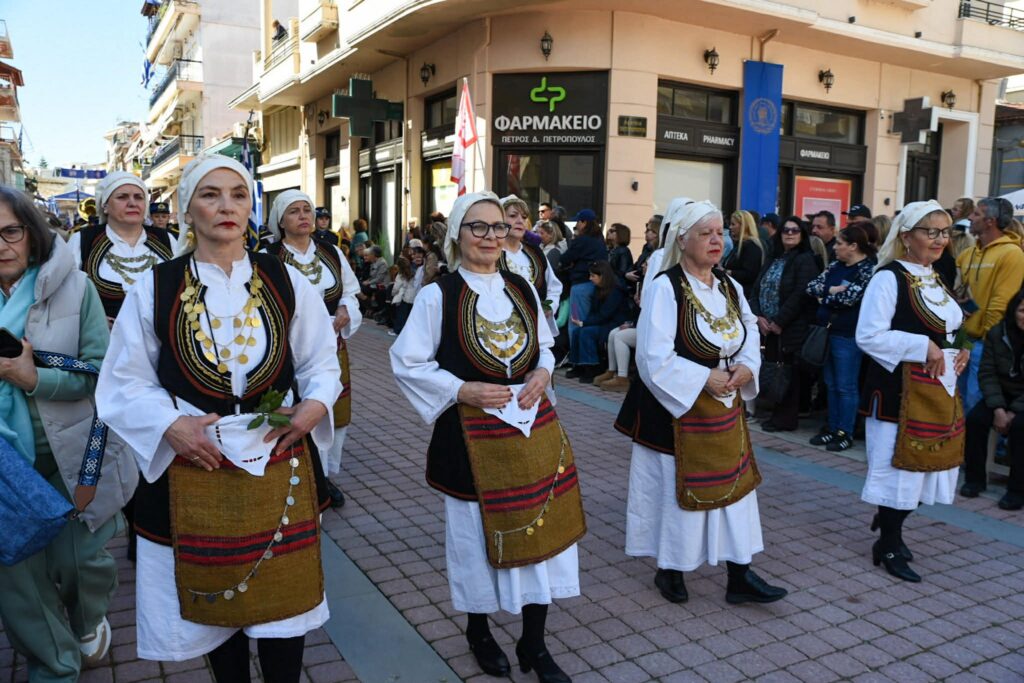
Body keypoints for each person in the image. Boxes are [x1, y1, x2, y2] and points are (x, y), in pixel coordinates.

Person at [95, 155, 341, 682]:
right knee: (213, 613)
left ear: (252, 207)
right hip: (195, 463)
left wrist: (315, 405)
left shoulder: (286, 280)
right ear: (187, 209)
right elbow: (123, 380)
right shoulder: (155, 287)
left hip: (279, 459)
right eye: (210, 194)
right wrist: (170, 425)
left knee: (283, 603)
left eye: (237, 194)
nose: (226, 205)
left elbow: (321, 359)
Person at [390, 191, 582, 683]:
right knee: (476, 539)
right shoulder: (439, 293)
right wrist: (461, 388)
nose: (492, 236)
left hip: (530, 428)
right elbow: (407, 361)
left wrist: (543, 373)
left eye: (499, 227)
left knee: (543, 526)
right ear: (458, 234)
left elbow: (544, 345)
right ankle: (479, 630)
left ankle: (534, 643)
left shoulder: (522, 287)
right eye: (479, 227)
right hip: (469, 436)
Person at [614, 200, 787, 606]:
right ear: (683, 239)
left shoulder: (728, 284)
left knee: (736, 487)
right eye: (705, 233)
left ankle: (739, 573)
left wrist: (746, 366)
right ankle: (670, 569)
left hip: (724, 404)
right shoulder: (665, 287)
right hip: (677, 409)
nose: (716, 239)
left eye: (719, 232)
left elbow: (747, 328)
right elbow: (652, 356)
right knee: (677, 489)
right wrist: (703, 377)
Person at [0, 186, 138, 683]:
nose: (1, 245)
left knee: (80, 562)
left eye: (10, 231)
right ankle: (54, 665)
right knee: (17, 575)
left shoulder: (75, 287)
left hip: (72, 453)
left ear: (31, 234)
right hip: (4, 465)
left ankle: (86, 619)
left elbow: (101, 371)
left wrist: (32, 376)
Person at [856, 200, 968, 583]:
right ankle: (887, 543)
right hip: (897, 395)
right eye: (930, 232)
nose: (939, 240)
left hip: (936, 390)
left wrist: (960, 348)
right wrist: (925, 347)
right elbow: (868, 335)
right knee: (899, 472)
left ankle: (890, 524)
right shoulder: (889, 278)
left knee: (929, 470)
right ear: (906, 237)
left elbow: (950, 326)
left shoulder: (934, 276)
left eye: (944, 232)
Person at [263, 190, 361, 509]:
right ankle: (296, 473)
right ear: (280, 220)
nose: (304, 216)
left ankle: (326, 475)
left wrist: (346, 310)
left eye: (307, 209)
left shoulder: (331, 252)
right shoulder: (267, 257)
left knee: (334, 410)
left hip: (331, 346)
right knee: (294, 409)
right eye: (294, 211)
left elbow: (349, 292)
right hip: (286, 350)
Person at [67, 172, 174, 325]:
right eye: (122, 197)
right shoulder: (83, 241)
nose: (132, 203)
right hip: (106, 343)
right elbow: (66, 294)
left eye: (139, 197)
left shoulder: (166, 239)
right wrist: (92, 320)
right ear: (105, 206)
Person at [805, 224, 877, 451]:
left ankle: (845, 431)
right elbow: (811, 287)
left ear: (853, 246)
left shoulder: (867, 269)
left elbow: (849, 299)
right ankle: (832, 427)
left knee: (846, 386)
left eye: (839, 243)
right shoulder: (836, 265)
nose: (834, 248)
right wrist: (831, 291)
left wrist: (827, 294)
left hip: (848, 335)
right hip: (827, 331)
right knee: (830, 383)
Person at [749, 216, 821, 432]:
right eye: (786, 230)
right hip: (767, 326)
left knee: (787, 372)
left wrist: (780, 321)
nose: (790, 234)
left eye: (795, 230)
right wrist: (758, 316)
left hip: (790, 327)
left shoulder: (805, 259)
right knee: (773, 368)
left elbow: (801, 294)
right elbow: (756, 289)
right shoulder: (773, 258)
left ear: (802, 234)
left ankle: (785, 419)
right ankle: (775, 414)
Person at [955, 197, 1024, 414]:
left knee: (975, 405)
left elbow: (1001, 304)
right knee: (956, 402)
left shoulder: (1012, 255)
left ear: (990, 221)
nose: (969, 217)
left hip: (983, 344)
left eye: (976, 214)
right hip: (961, 338)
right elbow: (955, 293)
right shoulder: (967, 254)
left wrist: (989, 344)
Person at [961, 288, 1024, 511]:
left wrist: (1014, 411)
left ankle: (1016, 490)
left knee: (1020, 428)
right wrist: (998, 408)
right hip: (1001, 393)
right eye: (1022, 311)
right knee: (976, 419)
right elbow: (987, 373)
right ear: (1013, 311)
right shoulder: (998, 333)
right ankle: (974, 479)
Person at [500, 196, 562, 337]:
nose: (520, 221)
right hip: (505, 331)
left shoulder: (535, 253)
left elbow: (554, 287)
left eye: (524, 217)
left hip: (536, 329)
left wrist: (549, 306)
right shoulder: (492, 254)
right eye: (513, 215)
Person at [568, 261, 630, 383]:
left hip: (614, 323)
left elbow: (605, 314)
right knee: (577, 332)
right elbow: (594, 312)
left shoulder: (615, 291)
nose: (590, 279)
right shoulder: (598, 289)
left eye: (593, 276)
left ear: (602, 276)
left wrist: (584, 323)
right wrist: (583, 322)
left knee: (587, 332)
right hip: (603, 321)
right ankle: (578, 365)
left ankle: (592, 367)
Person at [558, 209, 607, 362]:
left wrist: (571, 262)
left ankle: (577, 361)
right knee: (587, 322)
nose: (577, 225)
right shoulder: (600, 240)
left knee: (576, 322)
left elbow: (565, 258)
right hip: (596, 284)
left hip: (580, 285)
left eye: (578, 221)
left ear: (584, 222)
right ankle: (586, 361)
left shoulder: (582, 240)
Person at [724, 210, 764, 291]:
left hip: (744, 293)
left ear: (743, 226)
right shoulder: (739, 244)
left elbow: (750, 274)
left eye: (733, 224)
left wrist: (728, 272)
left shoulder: (751, 246)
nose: (730, 227)